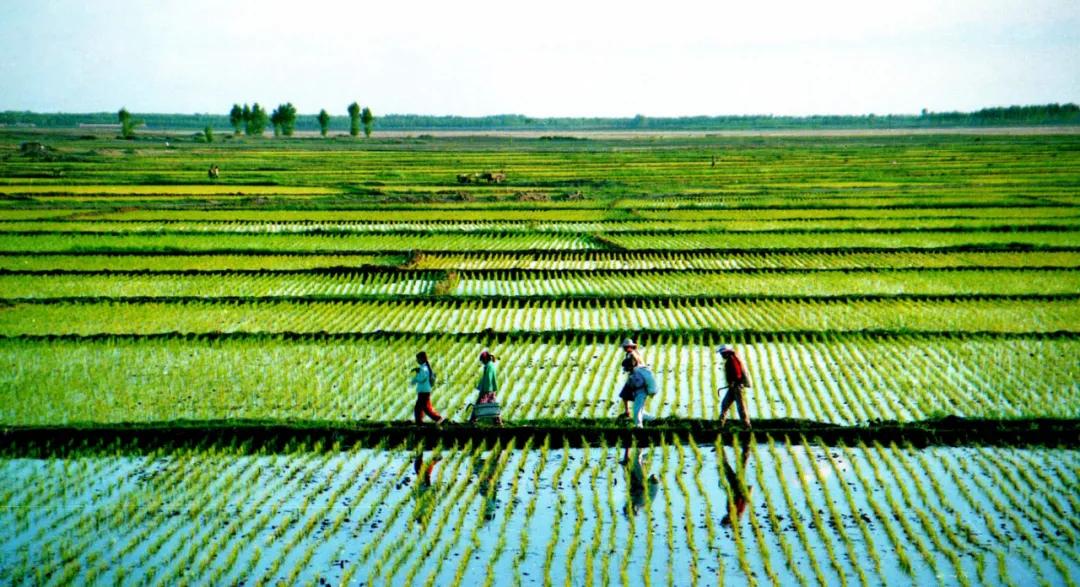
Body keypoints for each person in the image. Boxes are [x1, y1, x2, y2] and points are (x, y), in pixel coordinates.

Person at [717, 345, 751, 429]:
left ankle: (746, 426)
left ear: (726, 353)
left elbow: (738, 373)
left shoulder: (733, 359)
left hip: (737, 387)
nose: (721, 356)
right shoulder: (730, 359)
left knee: (741, 407)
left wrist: (734, 382)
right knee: (724, 404)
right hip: (733, 387)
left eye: (722, 354)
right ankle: (720, 424)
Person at [720, 442, 753, 526]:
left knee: (731, 466)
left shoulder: (730, 510)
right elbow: (743, 498)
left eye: (725, 518)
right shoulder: (737, 511)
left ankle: (720, 449)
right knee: (734, 466)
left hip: (734, 486)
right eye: (726, 519)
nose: (725, 517)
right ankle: (746, 447)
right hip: (738, 486)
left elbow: (730, 497)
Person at [620, 357, 656, 428]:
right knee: (640, 409)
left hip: (641, 393)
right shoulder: (632, 373)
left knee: (637, 410)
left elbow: (638, 384)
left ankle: (639, 426)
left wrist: (631, 384)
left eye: (626, 367)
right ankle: (652, 419)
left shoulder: (637, 374)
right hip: (637, 393)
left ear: (630, 366)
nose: (625, 368)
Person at [412, 351, 445, 425]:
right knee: (420, 408)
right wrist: (418, 371)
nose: (417, 360)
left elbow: (422, 378)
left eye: (418, 359)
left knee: (424, 408)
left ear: (422, 359)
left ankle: (438, 419)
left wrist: (414, 380)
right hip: (425, 390)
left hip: (424, 391)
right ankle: (419, 422)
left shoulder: (423, 368)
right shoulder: (425, 367)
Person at [469, 349, 501, 424]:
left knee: (479, 405)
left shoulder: (489, 366)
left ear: (485, 359)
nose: (482, 362)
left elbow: (488, 379)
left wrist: (484, 390)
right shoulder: (490, 365)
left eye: (482, 360)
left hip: (487, 390)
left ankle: (472, 420)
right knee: (492, 406)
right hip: (490, 390)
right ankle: (498, 421)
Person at [619, 338, 645, 419]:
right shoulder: (634, 353)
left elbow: (633, 365)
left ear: (628, 347)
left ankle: (630, 413)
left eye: (625, 347)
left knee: (626, 395)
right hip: (636, 377)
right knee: (628, 395)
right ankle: (629, 412)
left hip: (634, 378)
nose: (624, 348)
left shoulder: (631, 354)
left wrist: (626, 365)